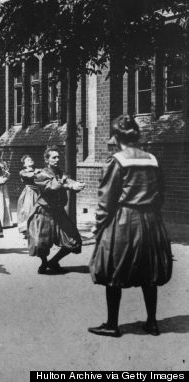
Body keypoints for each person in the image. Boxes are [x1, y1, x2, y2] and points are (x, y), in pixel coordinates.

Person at [88, 116, 172, 338]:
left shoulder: (116, 160)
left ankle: (112, 324)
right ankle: (152, 322)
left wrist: (99, 228)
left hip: (125, 220)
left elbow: (106, 200)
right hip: (152, 221)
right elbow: (162, 193)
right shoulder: (153, 159)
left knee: (113, 268)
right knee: (149, 270)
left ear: (116, 138)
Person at [27, 146, 85, 274]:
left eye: (59, 157)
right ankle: (44, 263)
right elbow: (52, 186)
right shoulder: (41, 174)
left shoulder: (59, 172)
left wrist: (76, 184)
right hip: (44, 212)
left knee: (74, 240)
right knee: (41, 243)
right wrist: (69, 186)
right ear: (47, 160)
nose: (57, 159)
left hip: (58, 212)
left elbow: (66, 179)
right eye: (54, 157)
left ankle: (53, 262)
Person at [17, 155, 40, 238]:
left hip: (37, 192)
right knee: (28, 210)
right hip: (29, 192)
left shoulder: (37, 170)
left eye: (31, 159)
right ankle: (27, 230)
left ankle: (36, 229)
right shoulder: (23, 172)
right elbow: (29, 175)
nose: (30, 160)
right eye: (28, 160)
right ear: (24, 164)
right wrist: (36, 173)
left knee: (38, 210)